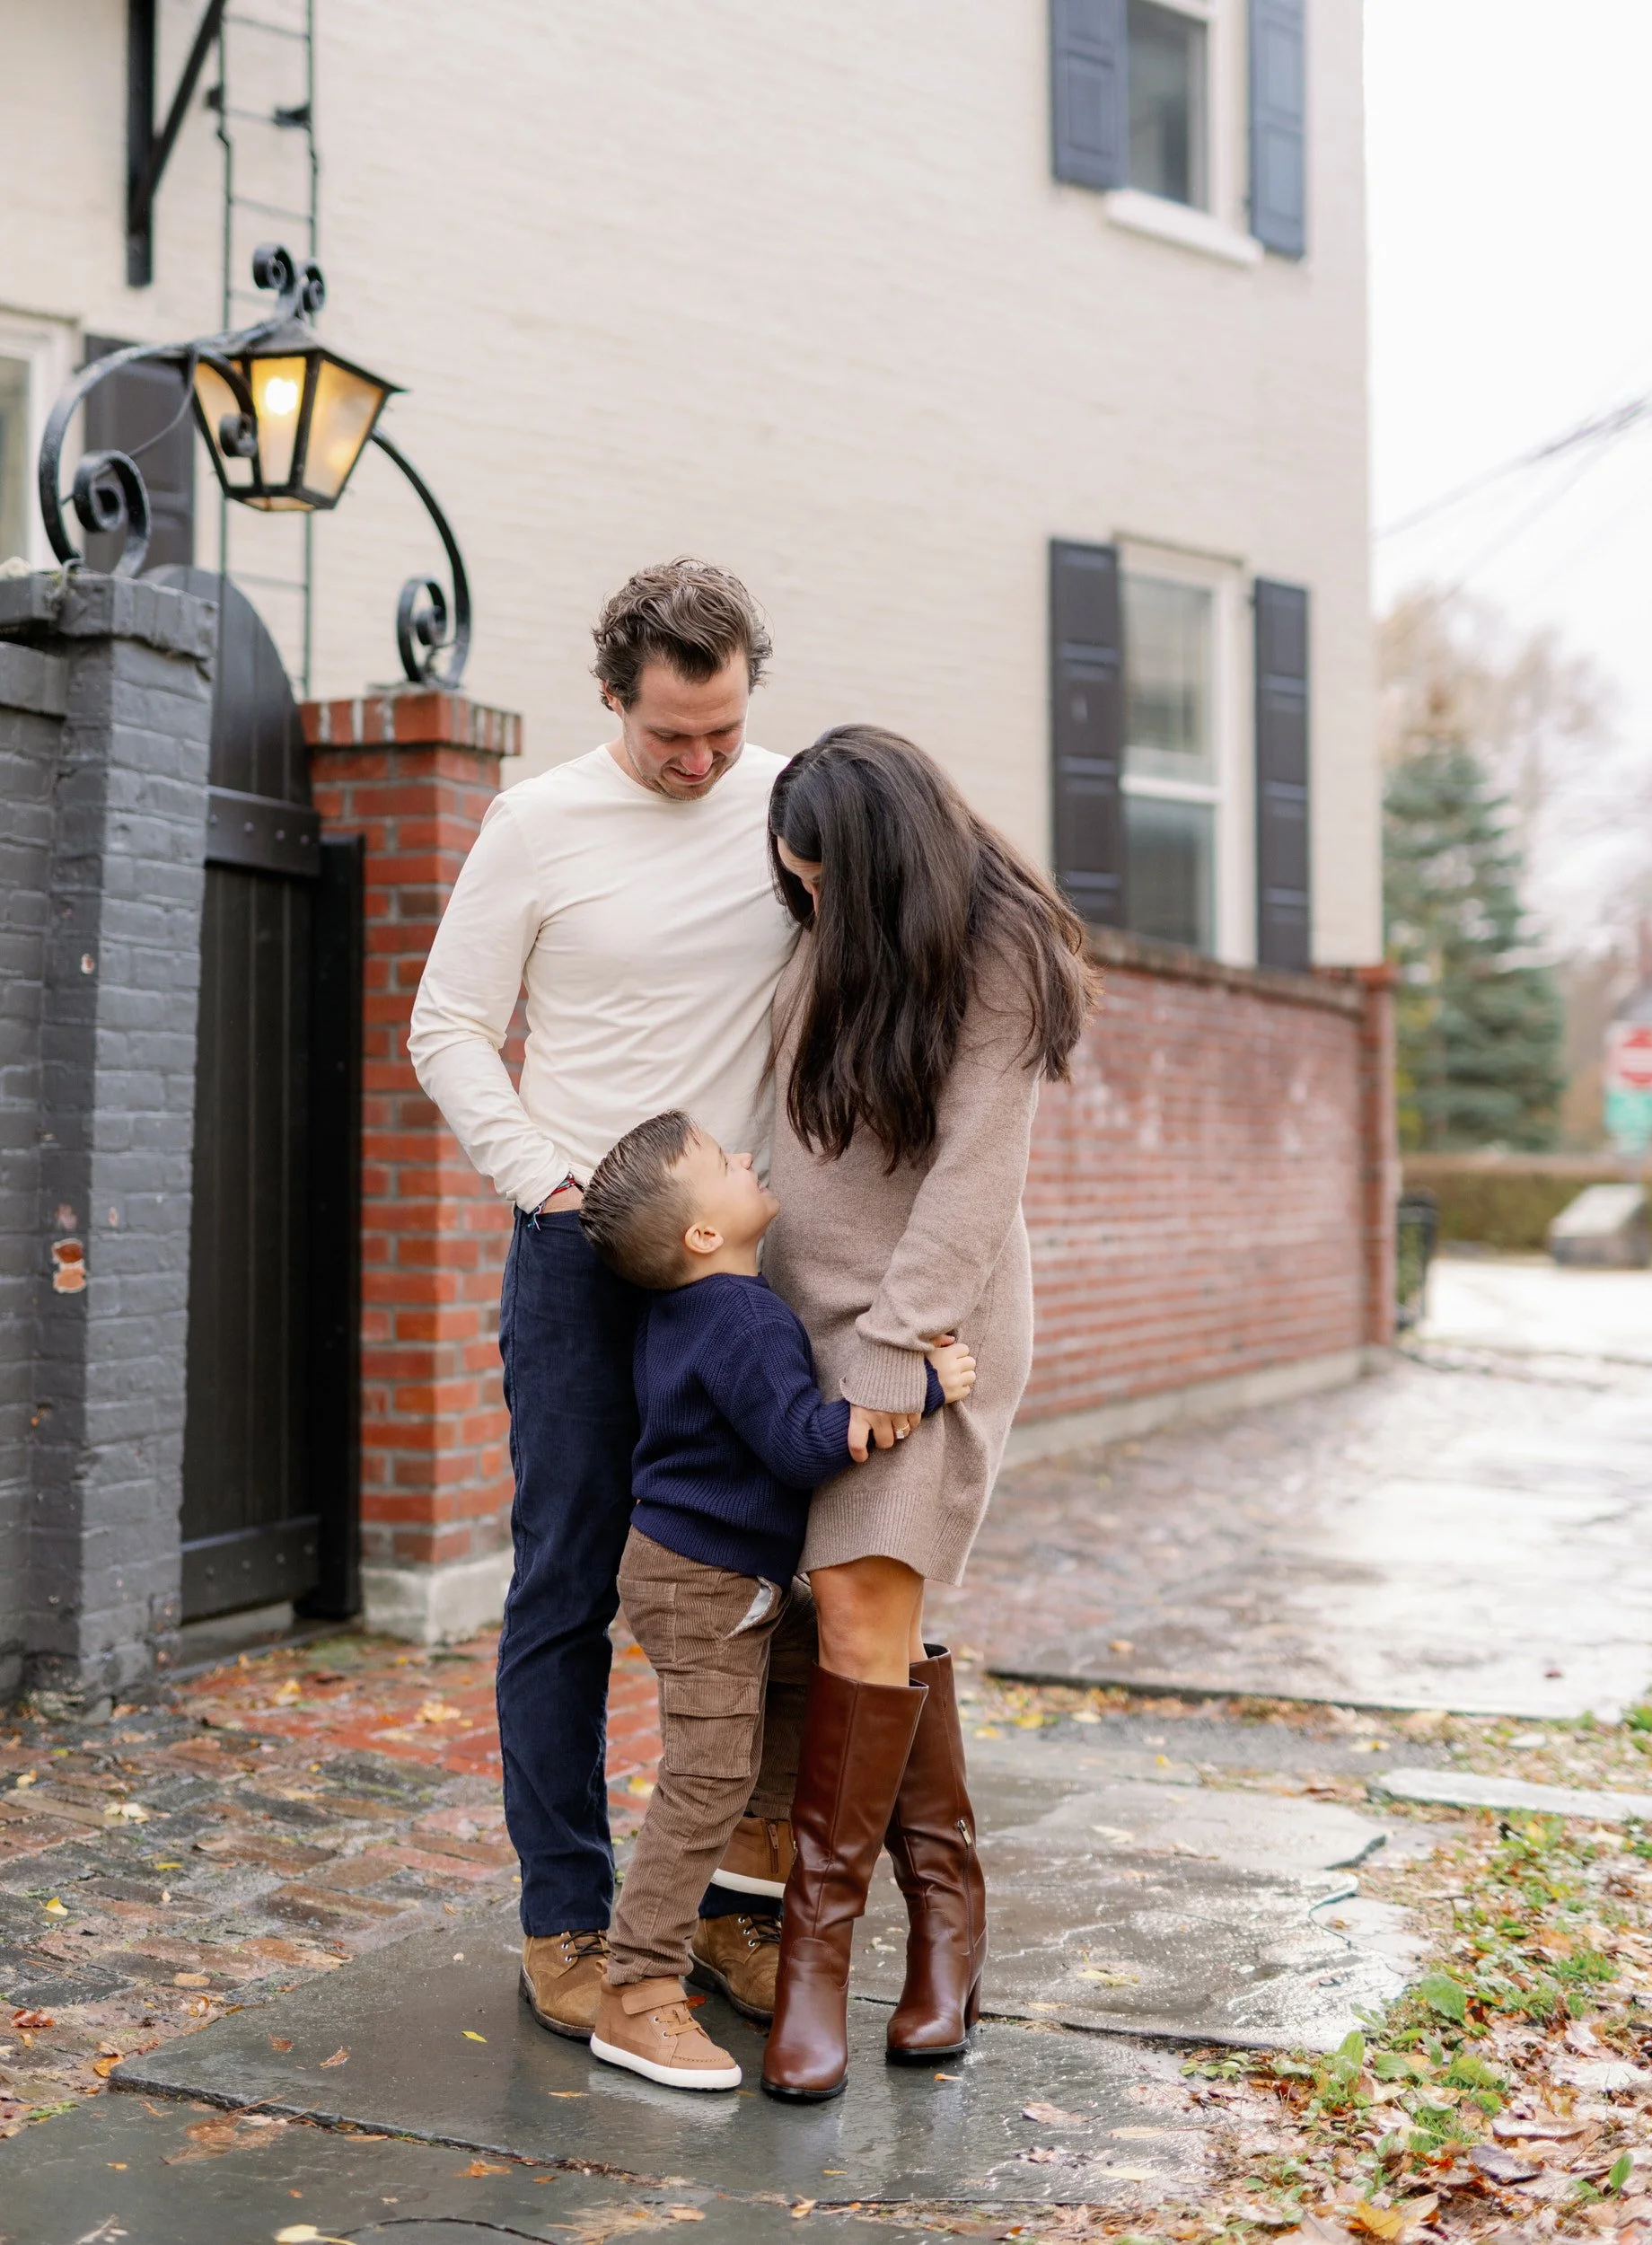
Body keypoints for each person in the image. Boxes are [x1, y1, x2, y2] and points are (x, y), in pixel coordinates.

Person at [409, 559, 821, 2041]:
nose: (698, 762)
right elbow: (446, 1020)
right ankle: (567, 1925)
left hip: (743, 1274)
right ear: (611, 701)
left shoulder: (789, 807)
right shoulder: (536, 824)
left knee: (762, 1598)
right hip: (583, 1263)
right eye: (669, 739)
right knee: (570, 1586)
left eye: (719, 732)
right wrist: (544, 1179)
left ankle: (719, 1913)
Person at [757, 726, 1097, 2102]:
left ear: (885, 863)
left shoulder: (1004, 950)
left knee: (858, 1610)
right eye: (800, 890)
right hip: (808, 1319)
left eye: (829, 886)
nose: (815, 912)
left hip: (927, 1327)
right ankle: (950, 1924)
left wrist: (895, 1354)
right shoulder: (829, 927)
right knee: (888, 1627)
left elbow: (973, 1179)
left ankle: (815, 1961)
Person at [573, 1110, 974, 2089]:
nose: (747, 1156)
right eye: (723, 1161)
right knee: (705, 1772)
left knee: (826, 1666)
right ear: (703, 1234)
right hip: (701, 1584)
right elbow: (799, 1443)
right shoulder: (743, 1316)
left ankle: (765, 1842)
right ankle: (636, 1987)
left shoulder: (690, 1309)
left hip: (705, 1574)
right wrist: (923, 1387)